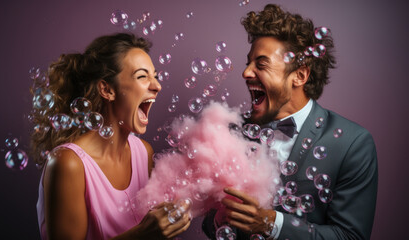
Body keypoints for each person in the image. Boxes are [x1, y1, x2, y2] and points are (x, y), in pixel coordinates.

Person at [203, 4, 378, 240]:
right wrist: (219, 220)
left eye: (261, 64)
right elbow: (210, 222)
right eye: (248, 63)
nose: (246, 73)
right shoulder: (234, 133)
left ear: (300, 75)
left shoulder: (352, 144)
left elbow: (350, 236)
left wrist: (270, 224)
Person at [32, 33, 191, 240]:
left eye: (156, 76)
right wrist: (142, 235)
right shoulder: (68, 163)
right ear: (107, 89)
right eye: (142, 76)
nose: (157, 86)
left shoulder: (144, 152)